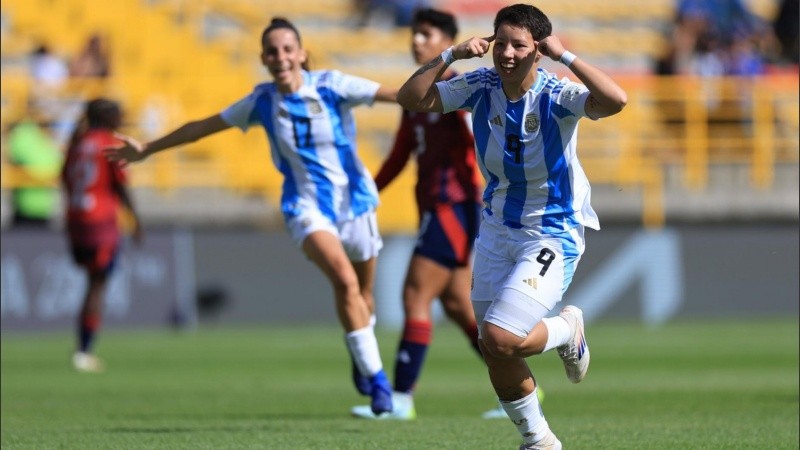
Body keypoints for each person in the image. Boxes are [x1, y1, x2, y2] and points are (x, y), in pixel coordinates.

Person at [104, 17, 397, 415]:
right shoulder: (261, 102)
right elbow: (202, 128)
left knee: (363, 294)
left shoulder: (333, 85)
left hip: (356, 203)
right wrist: (148, 149)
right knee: (344, 281)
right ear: (263, 59)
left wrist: (445, 80)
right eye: (272, 52)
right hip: (306, 208)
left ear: (302, 54)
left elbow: (398, 95)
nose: (281, 57)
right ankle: (379, 383)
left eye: (288, 49)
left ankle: (361, 352)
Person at [396, 4, 627, 448]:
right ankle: (539, 440)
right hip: (496, 229)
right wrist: (450, 54)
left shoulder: (556, 93)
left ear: (537, 50)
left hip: (551, 231)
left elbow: (616, 100)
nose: (506, 53)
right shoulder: (479, 86)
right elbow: (412, 99)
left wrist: (566, 56)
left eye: (518, 45)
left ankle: (567, 329)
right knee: (492, 345)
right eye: (500, 43)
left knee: (502, 337)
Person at [350, 7, 520, 421]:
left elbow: (485, 138)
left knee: (415, 294)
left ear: (447, 42)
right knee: (459, 306)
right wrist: (366, 193)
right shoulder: (417, 95)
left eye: (426, 34)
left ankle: (400, 397)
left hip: (454, 206)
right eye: (414, 33)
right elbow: (400, 154)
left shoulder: (459, 90)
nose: (416, 41)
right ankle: (518, 388)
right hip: (435, 206)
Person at [62, 98, 143, 372]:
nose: (121, 120)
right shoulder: (108, 142)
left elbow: (64, 177)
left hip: (76, 219)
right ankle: (84, 351)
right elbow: (120, 186)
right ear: (108, 118)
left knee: (92, 281)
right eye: (118, 115)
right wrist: (136, 220)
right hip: (101, 222)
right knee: (97, 284)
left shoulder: (77, 142)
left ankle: (83, 349)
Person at [7, 114, 63, 228]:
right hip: (26, 208)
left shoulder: (44, 136)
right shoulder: (24, 133)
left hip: (43, 208)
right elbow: (39, 166)